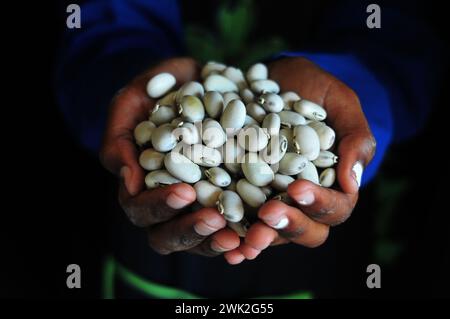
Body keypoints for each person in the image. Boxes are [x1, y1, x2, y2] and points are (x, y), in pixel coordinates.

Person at [55, 0, 441, 298]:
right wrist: (119, 83)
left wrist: (360, 99)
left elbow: (402, 32)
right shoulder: (182, 133)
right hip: (131, 237)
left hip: (328, 258)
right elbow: (97, 16)